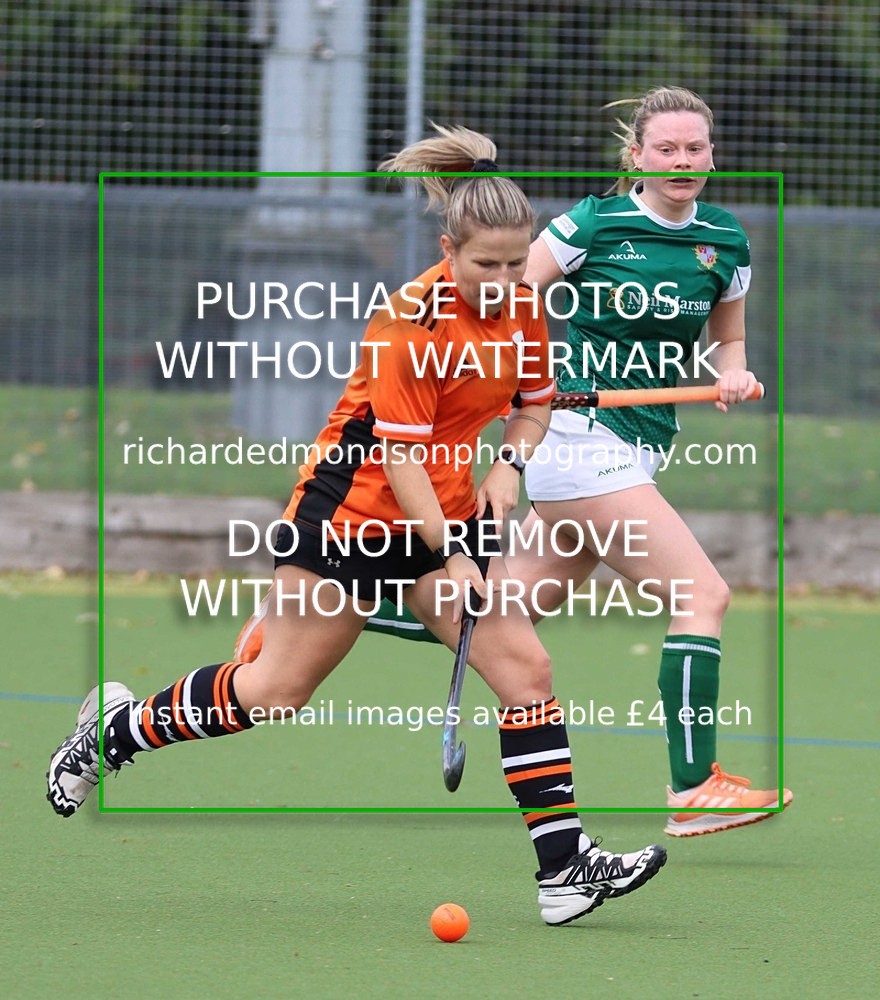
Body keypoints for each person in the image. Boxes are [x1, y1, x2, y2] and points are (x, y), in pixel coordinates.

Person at [47, 125, 666, 927]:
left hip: (444, 509)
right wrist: (451, 554)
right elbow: (399, 459)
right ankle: (114, 733)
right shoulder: (412, 322)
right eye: (487, 265)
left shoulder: (524, 310)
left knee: (528, 673)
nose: (506, 280)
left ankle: (565, 872)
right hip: (350, 516)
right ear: (449, 248)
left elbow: (535, 403)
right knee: (274, 693)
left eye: (519, 263)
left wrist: (509, 467)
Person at [237, 88, 792, 839]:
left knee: (502, 618)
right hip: (581, 440)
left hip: (639, 443)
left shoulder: (723, 239)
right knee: (703, 596)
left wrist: (734, 370)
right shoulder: (592, 225)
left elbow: (728, 339)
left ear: (712, 155)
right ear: (637, 155)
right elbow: (502, 295)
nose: (683, 161)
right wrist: (522, 395)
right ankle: (693, 787)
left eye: (696, 148)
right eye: (667, 148)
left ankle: (322, 611)